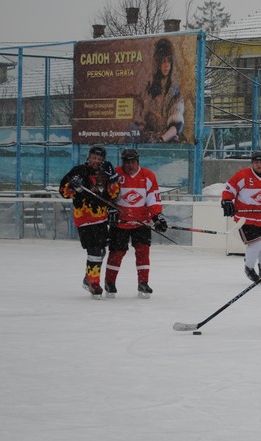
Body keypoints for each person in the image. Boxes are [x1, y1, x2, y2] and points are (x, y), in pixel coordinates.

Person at [103, 148, 168, 299]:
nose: (129, 165)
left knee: (143, 251)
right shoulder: (116, 174)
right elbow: (107, 195)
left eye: (132, 162)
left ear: (138, 161)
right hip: (120, 223)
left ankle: (143, 282)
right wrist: (110, 210)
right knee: (116, 253)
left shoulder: (148, 176)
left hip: (141, 222)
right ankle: (110, 282)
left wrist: (158, 217)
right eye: (126, 162)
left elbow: (153, 199)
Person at [59, 145, 120, 299]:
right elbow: (64, 192)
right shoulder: (79, 170)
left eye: (99, 159)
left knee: (101, 251)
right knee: (94, 250)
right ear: (89, 157)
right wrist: (73, 187)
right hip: (84, 218)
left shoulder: (105, 172)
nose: (96, 161)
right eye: (94, 157)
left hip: (101, 218)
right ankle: (93, 282)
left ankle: (88, 278)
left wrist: (113, 179)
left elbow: (114, 193)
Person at [221, 151, 261, 284]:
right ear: (252, 163)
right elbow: (229, 189)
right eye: (256, 162)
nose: (259, 165)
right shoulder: (243, 175)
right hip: (245, 217)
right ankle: (249, 268)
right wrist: (227, 200)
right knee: (256, 245)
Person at [143, 38, 185, 143]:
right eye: (163, 62)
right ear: (158, 64)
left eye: (169, 62)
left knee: (177, 121)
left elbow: (177, 122)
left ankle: (161, 139)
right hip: (149, 135)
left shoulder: (175, 90)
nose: (166, 65)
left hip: (167, 137)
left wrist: (162, 138)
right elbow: (142, 116)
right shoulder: (150, 88)